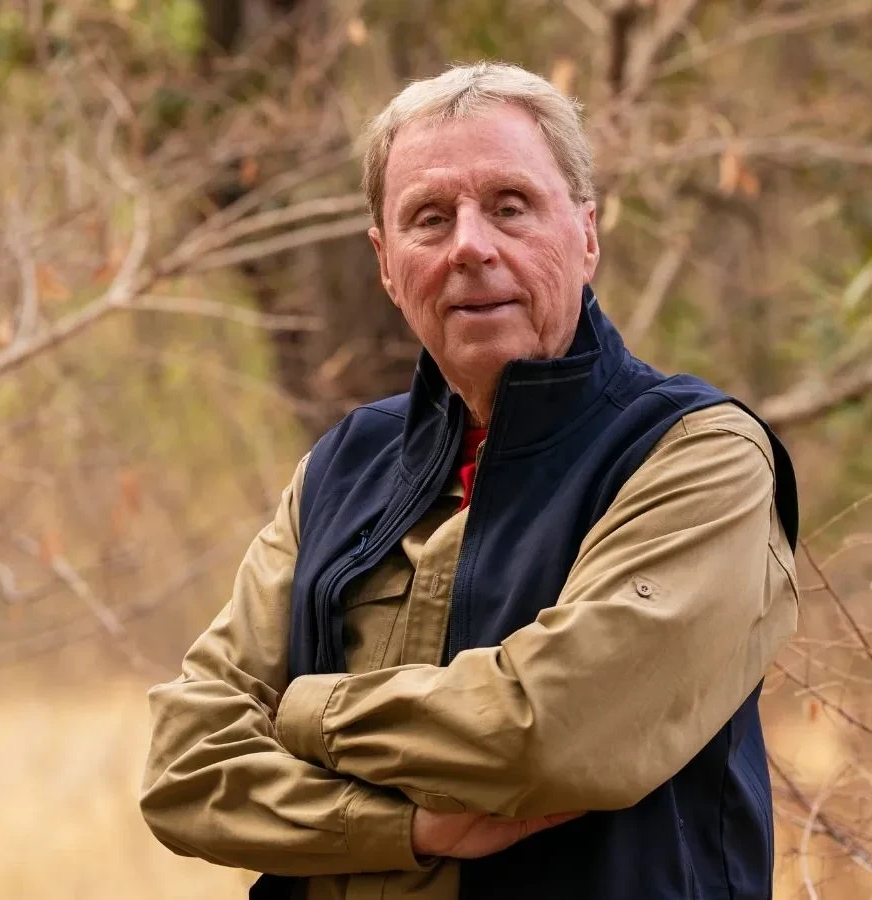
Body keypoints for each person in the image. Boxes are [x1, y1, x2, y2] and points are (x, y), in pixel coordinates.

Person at [139, 61, 800, 900]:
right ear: (385, 262)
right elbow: (183, 766)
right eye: (429, 218)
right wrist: (407, 828)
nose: (471, 247)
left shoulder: (692, 453)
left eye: (510, 207)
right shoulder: (344, 466)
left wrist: (304, 713)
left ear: (586, 233)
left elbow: (548, 734)